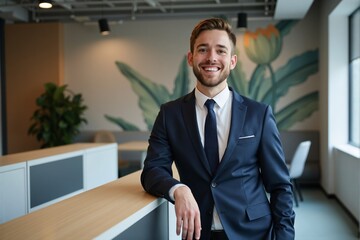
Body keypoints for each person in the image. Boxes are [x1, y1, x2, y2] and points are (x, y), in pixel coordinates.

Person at [141, 18, 295, 240]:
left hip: (254, 232)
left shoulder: (258, 114)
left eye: (220, 51)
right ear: (191, 58)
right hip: (197, 233)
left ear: (232, 61)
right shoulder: (170, 114)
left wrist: (284, 237)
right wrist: (179, 189)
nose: (211, 57)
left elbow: (280, 185)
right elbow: (152, 170)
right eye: (203, 49)